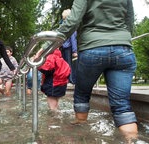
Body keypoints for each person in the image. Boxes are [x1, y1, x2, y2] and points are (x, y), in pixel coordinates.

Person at [57, 0, 138, 141]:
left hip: (92, 47)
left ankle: (82, 134)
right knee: (122, 106)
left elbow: (73, 21)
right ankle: (132, 140)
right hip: (123, 48)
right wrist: (122, 38)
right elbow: (130, 19)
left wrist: (47, 45)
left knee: (82, 95)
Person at [59, 9, 78, 84]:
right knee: (68, 64)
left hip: (65, 47)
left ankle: (68, 79)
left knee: (66, 64)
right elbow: (73, 39)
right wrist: (74, 51)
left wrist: (74, 50)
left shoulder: (63, 25)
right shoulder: (70, 25)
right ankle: (70, 79)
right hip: (68, 48)